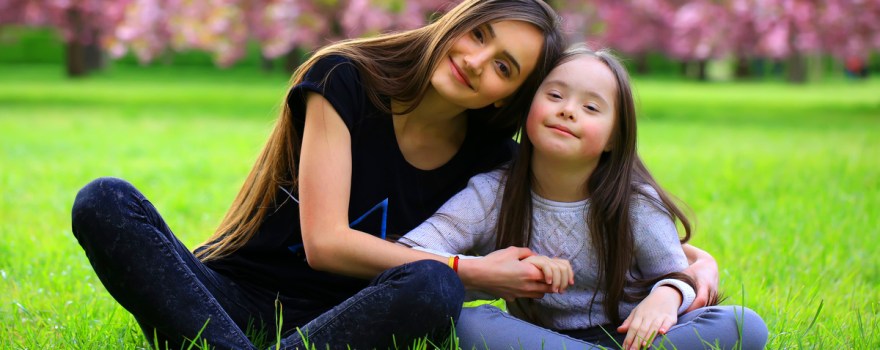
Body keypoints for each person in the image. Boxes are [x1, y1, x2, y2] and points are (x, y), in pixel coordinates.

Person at [71, 0, 568, 348]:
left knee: (433, 288)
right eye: (478, 34)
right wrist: (474, 270)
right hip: (231, 298)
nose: (475, 61)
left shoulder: (495, 162)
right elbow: (325, 243)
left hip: (352, 320)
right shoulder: (345, 76)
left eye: (504, 67)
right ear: (459, 19)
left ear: (509, 96)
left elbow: (598, 201)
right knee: (104, 200)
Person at [398, 46, 768, 350]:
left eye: (591, 108)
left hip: (636, 339)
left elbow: (675, 275)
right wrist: (491, 272)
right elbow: (413, 255)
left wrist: (667, 296)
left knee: (742, 324)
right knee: (468, 323)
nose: (568, 110)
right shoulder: (491, 194)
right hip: (539, 340)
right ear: (529, 107)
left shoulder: (634, 202)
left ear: (613, 138)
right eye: (555, 95)